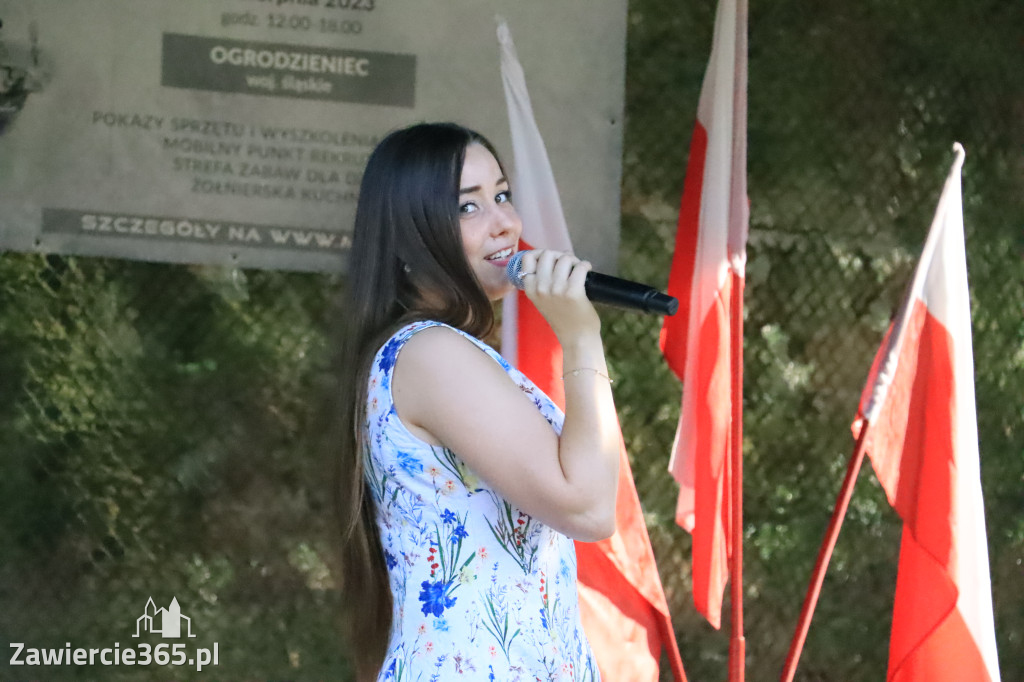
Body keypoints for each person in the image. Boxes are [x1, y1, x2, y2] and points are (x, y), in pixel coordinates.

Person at [334, 122, 621, 681]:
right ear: (408, 238)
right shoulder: (431, 354)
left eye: (503, 196)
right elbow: (588, 508)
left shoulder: (445, 353)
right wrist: (582, 337)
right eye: (469, 208)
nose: (506, 223)